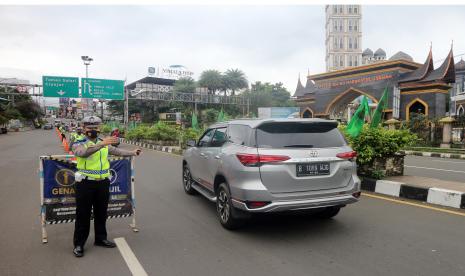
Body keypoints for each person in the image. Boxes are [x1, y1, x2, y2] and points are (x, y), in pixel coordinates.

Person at [72, 116, 141, 258]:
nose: (92, 129)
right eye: (89, 127)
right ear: (84, 128)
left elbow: (117, 151)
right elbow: (82, 154)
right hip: (85, 183)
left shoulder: (102, 142)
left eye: (95, 127)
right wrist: (102, 144)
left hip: (103, 182)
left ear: (100, 128)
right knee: (83, 214)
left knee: (101, 212)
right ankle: (79, 244)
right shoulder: (78, 142)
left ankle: (101, 238)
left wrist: (132, 152)